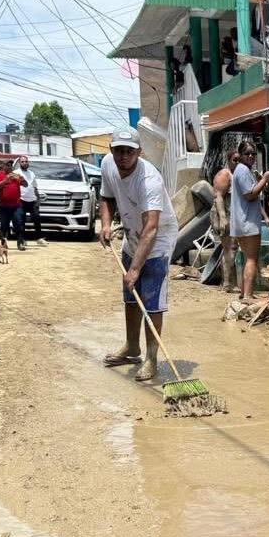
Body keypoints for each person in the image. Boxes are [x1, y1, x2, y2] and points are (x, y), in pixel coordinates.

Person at [98, 126, 179, 383]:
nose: (123, 157)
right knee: (131, 296)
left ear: (138, 152)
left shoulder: (149, 180)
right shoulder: (107, 164)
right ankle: (132, 348)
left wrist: (135, 269)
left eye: (129, 152)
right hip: (134, 234)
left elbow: (152, 228)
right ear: (111, 150)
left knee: (150, 300)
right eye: (119, 151)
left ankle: (152, 358)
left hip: (157, 239)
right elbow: (106, 197)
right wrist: (106, 224)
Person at [229, 143, 269, 301]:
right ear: (240, 155)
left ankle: (244, 292)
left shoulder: (241, 171)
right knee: (252, 259)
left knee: (247, 258)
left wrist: (261, 181)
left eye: (253, 153)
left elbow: (252, 195)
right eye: (247, 153)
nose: (251, 156)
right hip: (247, 222)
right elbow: (250, 195)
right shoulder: (243, 170)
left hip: (241, 222)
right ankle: (247, 294)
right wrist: (265, 179)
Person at [211, 150, 238, 292]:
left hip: (232, 214)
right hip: (224, 214)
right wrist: (223, 218)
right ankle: (227, 283)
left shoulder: (238, 174)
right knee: (229, 247)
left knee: (232, 248)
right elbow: (218, 196)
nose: (237, 162)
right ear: (229, 160)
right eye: (235, 160)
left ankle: (230, 283)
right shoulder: (225, 175)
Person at [14, 156, 43, 243]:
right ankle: (22, 239)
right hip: (21, 200)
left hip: (32, 200)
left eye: (26, 161)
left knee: (36, 219)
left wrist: (38, 200)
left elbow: (35, 187)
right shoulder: (15, 173)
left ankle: (39, 239)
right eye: (22, 162)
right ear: (20, 163)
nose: (25, 163)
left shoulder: (32, 173)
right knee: (21, 220)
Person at [0, 170, 25, 249]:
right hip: (4, 206)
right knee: (4, 226)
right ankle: (3, 243)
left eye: (10, 164)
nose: (9, 166)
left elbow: (25, 185)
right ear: (4, 166)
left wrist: (22, 179)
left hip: (16, 205)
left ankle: (20, 243)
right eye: (7, 164)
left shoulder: (16, 175)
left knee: (19, 223)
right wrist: (6, 180)